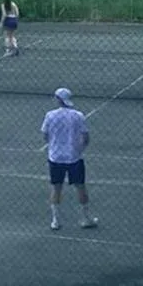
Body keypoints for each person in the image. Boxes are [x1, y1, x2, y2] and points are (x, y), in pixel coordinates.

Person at [41, 88, 97, 231]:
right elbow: (86, 138)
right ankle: (85, 218)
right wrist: (79, 150)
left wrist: (53, 146)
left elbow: (45, 135)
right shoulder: (78, 115)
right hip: (74, 158)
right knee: (80, 186)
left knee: (56, 187)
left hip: (55, 158)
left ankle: (55, 221)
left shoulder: (50, 115)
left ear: (58, 99)